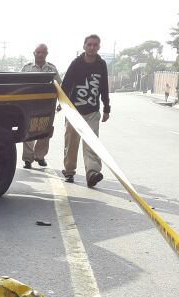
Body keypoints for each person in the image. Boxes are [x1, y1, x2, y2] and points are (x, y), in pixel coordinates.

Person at [61, 34, 110, 187]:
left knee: (92, 144)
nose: (92, 47)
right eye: (89, 44)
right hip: (74, 112)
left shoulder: (101, 65)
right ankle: (69, 171)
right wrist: (62, 105)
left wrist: (106, 108)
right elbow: (66, 86)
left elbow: (104, 88)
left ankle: (92, 173)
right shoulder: (76, 64)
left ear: (99, 47)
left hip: (92, 112)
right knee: (71, 143)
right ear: (84, 46)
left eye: (95, 45)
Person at [20, 44, 61, 169]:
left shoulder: (52, 69)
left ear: (46, 54)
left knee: (45, 130)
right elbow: (19, 85)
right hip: (30, 105)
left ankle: (40, 156)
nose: (40, 54)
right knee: (28, 130)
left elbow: (59, 86)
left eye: (43, 52)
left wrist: (61, 103)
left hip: (47, 105)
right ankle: (28, 159)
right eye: (38, 52)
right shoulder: (26, 68)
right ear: (34, 53)